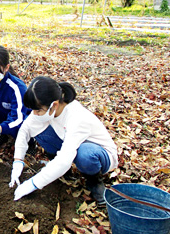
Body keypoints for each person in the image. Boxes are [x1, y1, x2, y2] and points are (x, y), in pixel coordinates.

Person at [10, 76, 118, 205]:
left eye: (38, 110)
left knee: (85, 154)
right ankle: (62, 173)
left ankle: (95, 182)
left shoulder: (77, 118)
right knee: (37, 129)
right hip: (70, 144)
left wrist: (33, 183)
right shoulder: (50, 109)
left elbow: (64, 160)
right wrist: (18, 161)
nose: (35, 113)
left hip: (100, 154)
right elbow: (25, 130)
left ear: (54, 104)